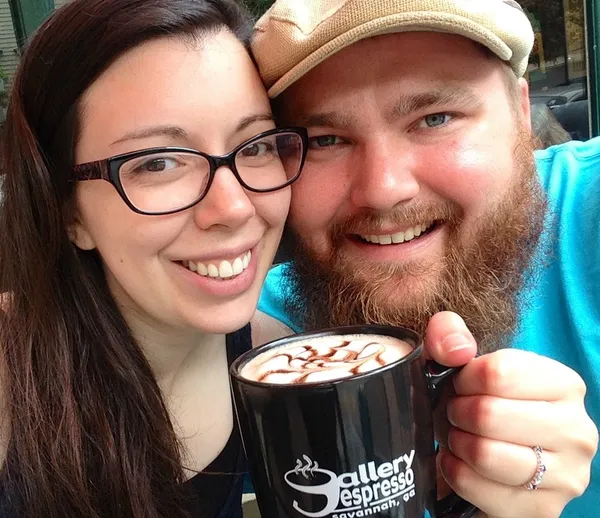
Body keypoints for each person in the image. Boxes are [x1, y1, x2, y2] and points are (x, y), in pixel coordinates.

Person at [252, 1, 599, 517]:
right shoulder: (267, 338)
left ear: (521, 116)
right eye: (325, 139)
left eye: (435, 118)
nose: (383, 189)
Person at [0, 0, 309, 515]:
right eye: (159, 162)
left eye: (255, 146)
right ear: (67, 212)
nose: (233, 208)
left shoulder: (272, 363)